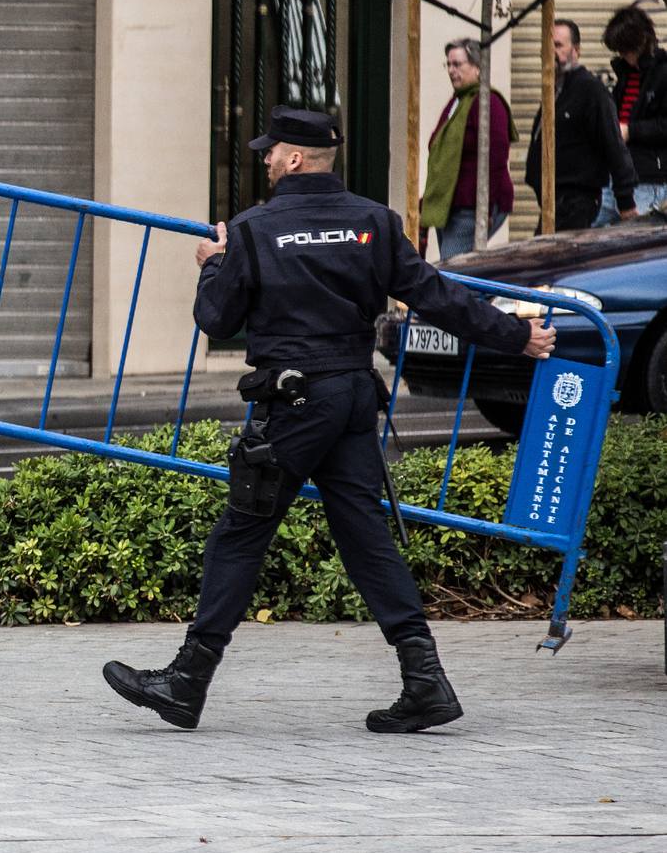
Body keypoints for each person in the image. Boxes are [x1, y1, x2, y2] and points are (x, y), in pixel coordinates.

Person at [102, 106, 557, 733]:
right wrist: (514, 334)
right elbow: (436, 294)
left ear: (293, 158)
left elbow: (215, 319)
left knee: (242, 530)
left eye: (270, 151)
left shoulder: (255, 230)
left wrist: (213, 261)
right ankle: (425, 681)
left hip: (292, 403)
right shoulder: (373, 221)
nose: (264, 159)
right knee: (366, 537)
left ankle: (186, 681)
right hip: (351, 397)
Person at [526, 20, 639, 229]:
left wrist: (625, 200)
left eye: (558, 45)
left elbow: (613, 145)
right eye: (547, 46)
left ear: (576, 50)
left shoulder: (590, 90)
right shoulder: (556, 91)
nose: (551, 52)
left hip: (577, 203)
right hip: (554, 203)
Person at [422, 39, 514, 257]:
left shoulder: (488, 103)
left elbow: (496, 155)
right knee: (459, 270)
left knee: (451, 270)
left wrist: (487, 205)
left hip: (472, 206)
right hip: (450, 205)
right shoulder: (458, 102)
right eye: (449, 65)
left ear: (477, 66)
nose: (452, 71)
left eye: (458, 64)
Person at [605, 5, 667, 217]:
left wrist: (630, 131)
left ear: (641, 43)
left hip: (647, 178)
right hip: (616, 175)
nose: (622, 55)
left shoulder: (662, 74)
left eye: (625, 49)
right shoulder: (625, 75)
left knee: (635, 241)